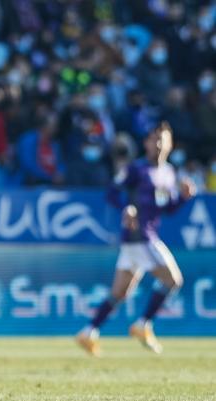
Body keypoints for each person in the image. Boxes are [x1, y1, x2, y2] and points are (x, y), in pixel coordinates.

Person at [76, 122, 196, 356]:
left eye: (163, 140)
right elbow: (111, 192)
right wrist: (126, 208)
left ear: (170, 145)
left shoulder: (168, 172)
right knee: (173, 280)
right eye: (154, 139)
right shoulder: (136, 169)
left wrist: (183, 198)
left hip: (142, 238)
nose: (159, 144)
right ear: (146, 143)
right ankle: (143, 324)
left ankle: (88, 332)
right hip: (140, 236)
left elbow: (167, 208)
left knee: (120, 292)